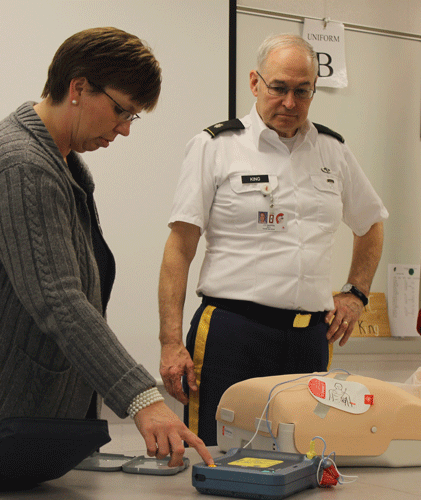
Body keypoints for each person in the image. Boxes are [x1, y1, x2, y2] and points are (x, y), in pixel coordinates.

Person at [0, 27, 212, 467]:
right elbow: (59, 301)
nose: (124, 129)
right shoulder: (22, 167)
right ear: (78, 87)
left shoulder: (60, 163)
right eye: (122, 111)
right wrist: (142, 397)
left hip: (20, 416)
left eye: (132, 117)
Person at [158, 33, 388, 445]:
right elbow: (180, 247)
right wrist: (171, 342)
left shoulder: (332, 150)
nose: (290, 102)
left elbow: (371, 223)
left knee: (306, 453)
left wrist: (356, 293)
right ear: (254, 83)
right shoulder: (215, 146)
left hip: (309, 339)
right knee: (217, 454)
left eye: (303, 91)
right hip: (232, 333)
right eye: (279, 88)